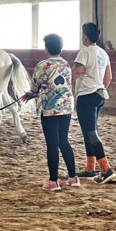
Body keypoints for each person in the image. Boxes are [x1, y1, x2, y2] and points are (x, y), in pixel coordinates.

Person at [22, 33, 79, 191]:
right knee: (64, 141)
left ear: (46, 48)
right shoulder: (66, 64)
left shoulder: (43, 65)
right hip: (66, 106)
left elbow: (35, 87)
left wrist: (29, 95)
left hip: (50, 108)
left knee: (52, 144)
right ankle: (73, 177)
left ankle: (53, 181)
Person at [72, 22, 116, 184]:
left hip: (86, 96)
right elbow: (108, 78)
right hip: (99, 95)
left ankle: (106, 169)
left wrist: (74, 83)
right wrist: (99, 86)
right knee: (89, 131)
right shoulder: (103, 53)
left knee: (90, 132)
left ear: (85, 36)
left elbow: (77, 72)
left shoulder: (84, 52)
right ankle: (90, 169)